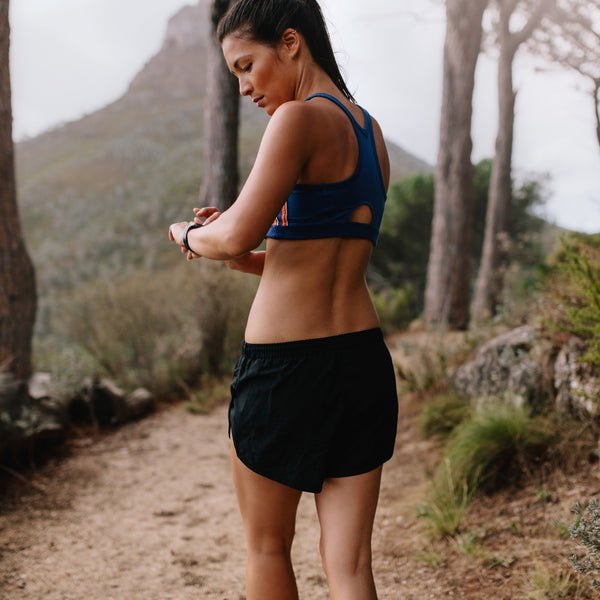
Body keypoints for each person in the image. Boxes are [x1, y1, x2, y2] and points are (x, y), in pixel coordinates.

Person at [169, 1, 398, 598]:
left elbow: (234, 233)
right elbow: (313, 257)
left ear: (291, 43)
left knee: (267, 547)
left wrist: (192, 235)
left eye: (247, 66)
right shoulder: (371, 135)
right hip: (360, 363)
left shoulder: (296, 120)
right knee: (350, 566)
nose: (244, 88)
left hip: (285, 374)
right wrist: (244, 254)